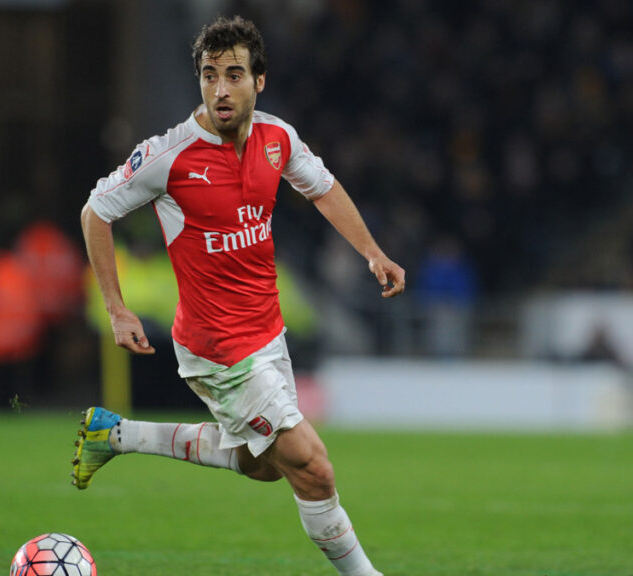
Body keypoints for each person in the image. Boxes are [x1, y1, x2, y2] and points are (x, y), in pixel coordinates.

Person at [72, 16, 405, 576]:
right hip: (218, 348)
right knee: (314, 466)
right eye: (209, 76)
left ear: (259, 81)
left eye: (233, 75)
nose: (220, 90)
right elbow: (95, 212)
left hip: (267, 335)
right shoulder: (168, 155)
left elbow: (322, 189)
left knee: (267, 467)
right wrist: (116, 306)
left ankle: (117, 434)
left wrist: (372, 251)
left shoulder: (278, 139)